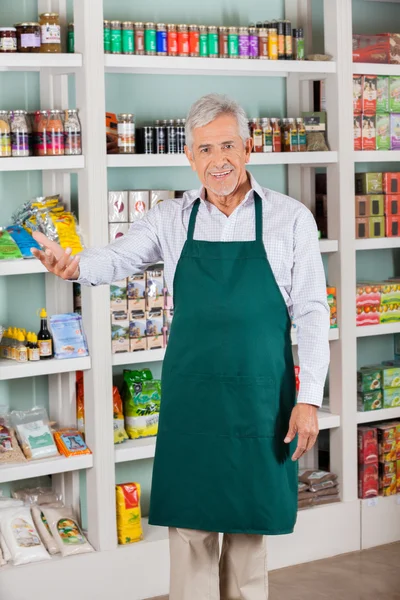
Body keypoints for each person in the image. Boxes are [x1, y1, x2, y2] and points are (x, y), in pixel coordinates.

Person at [32, 94, 330, 600]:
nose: (219, 160)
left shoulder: (291, 218)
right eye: (206, 149)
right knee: (190, 529)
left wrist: (310, 399)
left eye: (229, 145)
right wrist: (76, 266)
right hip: (192, 400)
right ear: (189, 157)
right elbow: (118, 258)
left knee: (248, 529)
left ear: (249, 149)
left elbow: (312, 312)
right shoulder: (169, 218)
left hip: (262, 400)